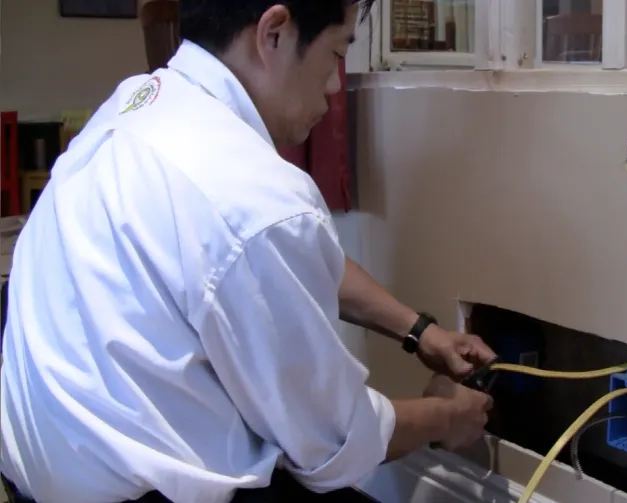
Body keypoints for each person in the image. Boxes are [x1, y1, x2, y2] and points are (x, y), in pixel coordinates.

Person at [0, 1, 496, 502]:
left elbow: (275, 258)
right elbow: (332, 444)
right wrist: (446, 416)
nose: (331, 85)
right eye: (335, 53)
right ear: (274, 34)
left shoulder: (139, 102)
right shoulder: (253, 194)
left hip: (35, 478)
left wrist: (418, 330)